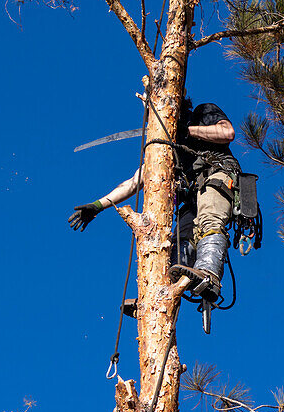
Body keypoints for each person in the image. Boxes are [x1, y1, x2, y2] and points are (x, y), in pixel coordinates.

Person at [68, 96, 240, 303]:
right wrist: (97, 205)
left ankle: (209, 276)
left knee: (210, 222)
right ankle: (158, 298)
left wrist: (186, 132)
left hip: (216, 178)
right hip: (192, 199)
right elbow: (133, 183)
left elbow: (227, 133)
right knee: (179, 243)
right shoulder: (165, 150)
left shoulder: (203, 113)